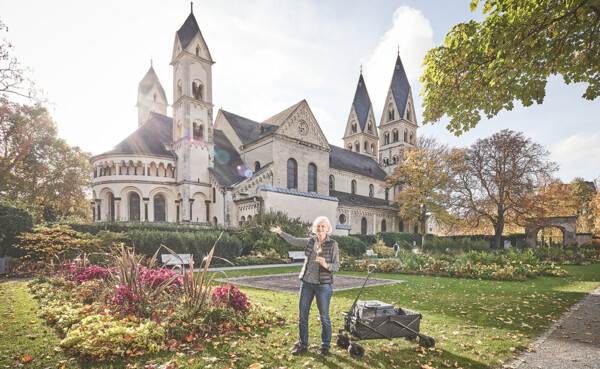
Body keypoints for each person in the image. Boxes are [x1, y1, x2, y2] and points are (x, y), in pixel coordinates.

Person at [270, 216, 339, 357]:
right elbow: (294, 240)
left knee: (324, 317)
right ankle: (303, 344)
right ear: (315, 228)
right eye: (318, 226)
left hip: (323, 285)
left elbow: (336, 265)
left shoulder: (332, 244)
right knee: (302, 316)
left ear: (327, 228)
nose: (320, 229)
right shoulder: (311, 241)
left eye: (323, 226)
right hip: (306, 283)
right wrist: (280, 232)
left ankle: (325, 346)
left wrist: (326, 264)